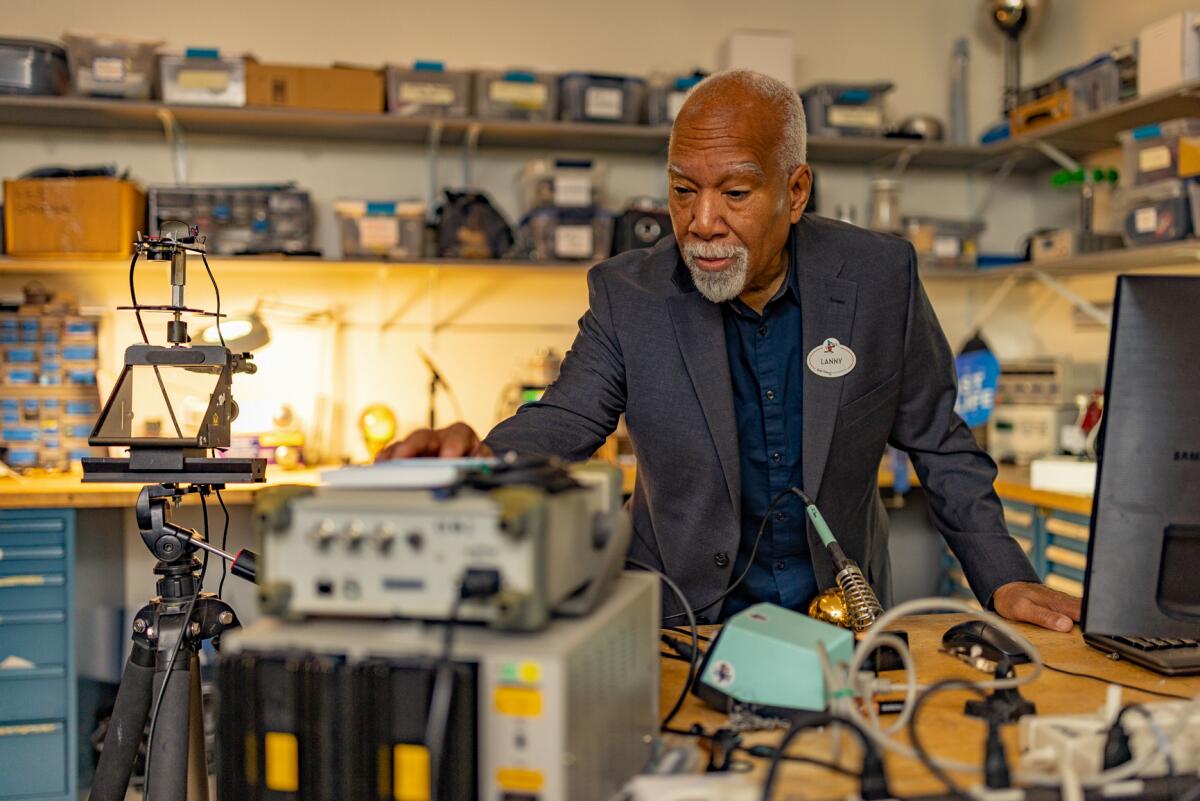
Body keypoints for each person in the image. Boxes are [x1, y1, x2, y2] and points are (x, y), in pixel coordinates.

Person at [377, 69, 1081, 632]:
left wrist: (1006, 576)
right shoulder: (630, 295)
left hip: (840, 619)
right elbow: (563, 420)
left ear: (795, 190)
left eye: (735, 191)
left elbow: (940, 443)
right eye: (683, 190)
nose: (702, 221)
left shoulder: (878, 278)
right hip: (680, 626)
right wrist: (480, 463)